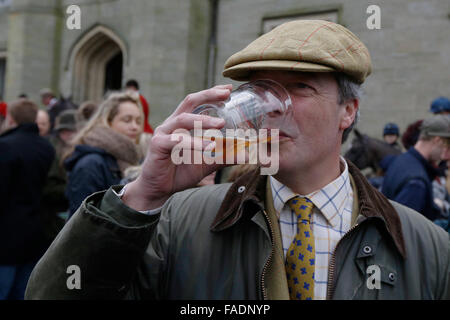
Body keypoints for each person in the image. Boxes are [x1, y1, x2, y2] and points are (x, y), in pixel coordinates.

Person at [26, 20, 449, 300]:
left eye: (300, 88)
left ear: (348, 111)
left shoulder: (426, 247)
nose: (273, 107)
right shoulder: (178, 222)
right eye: (261, 89)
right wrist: (141, 198)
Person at [0, 99, 54, 300]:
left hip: (6, 236)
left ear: (11, 119)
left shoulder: (6, 146)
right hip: (33, 229)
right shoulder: (46, 147)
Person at [63, 92, 143, 218]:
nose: (135, 127)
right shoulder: (91, 164)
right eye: (127, 120)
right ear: (107, 122)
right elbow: (82, 221)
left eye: (138, 121)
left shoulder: (135, 158)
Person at [382, 115, 450, 221]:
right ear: (437, 140)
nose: (446, 155)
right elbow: (402, 230)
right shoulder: (416, 182)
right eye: (448, 146)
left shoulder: (402, 160)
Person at [41, 110, 79, 240]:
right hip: (54, 215)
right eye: (64, 132)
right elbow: (48, 188)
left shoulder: (79, 150)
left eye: (72, 131)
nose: (68, 136)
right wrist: (72, 189)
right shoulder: (53, 151)